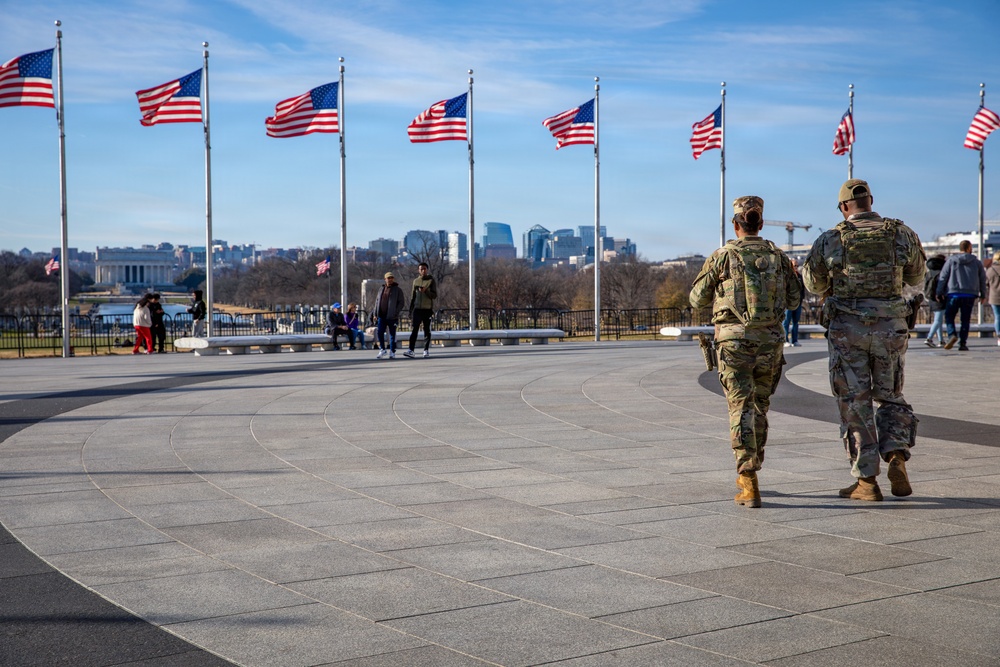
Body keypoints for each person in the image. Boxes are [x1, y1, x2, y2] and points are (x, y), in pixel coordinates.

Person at [802, 178, 926, 501]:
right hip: (890, 328)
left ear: (844, 208)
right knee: (891, 395)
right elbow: (916, 276)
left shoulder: (831, 239)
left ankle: (867, 482)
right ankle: (896, 454)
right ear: (871, 200)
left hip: (848, 330)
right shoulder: (901, 233)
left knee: (855, 402)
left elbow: (813, 284)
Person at [690, 195, 801, 508]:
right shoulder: (778, 257)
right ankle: (755, 467)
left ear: (736, 224)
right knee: (761, 405)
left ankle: (747, 476)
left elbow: (697, 299)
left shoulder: (722, 256)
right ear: (761, 223)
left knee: (740, 406)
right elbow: (794, 301)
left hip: (734, 343)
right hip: (770, 342)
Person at [937, 240, 988, 351]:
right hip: (969, 294)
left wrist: (939, 292)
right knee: (965, 319)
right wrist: (983, 294)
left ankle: (952, 335)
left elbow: (943, 277)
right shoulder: (976, 262)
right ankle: (963, 343)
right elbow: (982, 279)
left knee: (949, 317)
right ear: (969, 248)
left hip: (953, 293)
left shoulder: (951, 260)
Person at [405, 262, 438, 358]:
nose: (423, 270)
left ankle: (426, 350)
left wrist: (426, 291)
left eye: (425, 269)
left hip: (427, 309)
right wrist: (410, 310)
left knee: (427, 330)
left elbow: (434, 295)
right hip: (417, 309)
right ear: (418, 271)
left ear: (427, 270)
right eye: (421, 269)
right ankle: (411, 350)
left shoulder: (431, 280)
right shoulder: (416, 281)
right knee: (414, 330)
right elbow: (413, 296)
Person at [372, 272, 406, 359]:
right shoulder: (381, 289)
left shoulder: (397, 290)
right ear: (385, 279)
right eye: (388, 278)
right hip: (381, 316)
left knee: (392, 334)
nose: (390, 279)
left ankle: (392, 351)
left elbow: (401, 303)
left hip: (392, 316)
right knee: (379, 332)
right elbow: (377, 302)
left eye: (391, 278)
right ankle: (382, 349)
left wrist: (396, 312)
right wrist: (375, 313)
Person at [923, 254, 947, 348]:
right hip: (939, 298)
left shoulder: (929, 272)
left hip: (930, 298)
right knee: (938, 320)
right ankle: (929, 338)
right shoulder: (941, 272)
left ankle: (941, 341)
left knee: (939, 320)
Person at [782, 259, 804, 348]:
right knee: (786, 322)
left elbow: (802, 289)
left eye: (797, 266)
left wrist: (801, 299)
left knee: (796, 322)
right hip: (788, 303)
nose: (796, 267)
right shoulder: (786, 276)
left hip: (798, 303)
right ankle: (785, 340)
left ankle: (794, 340)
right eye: (794, 266)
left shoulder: (800, 276)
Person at [987, 251, 1000, 346]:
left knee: (997, 316)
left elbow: (986, 283)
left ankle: (999, 335)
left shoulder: (990, 270)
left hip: (994, 297)